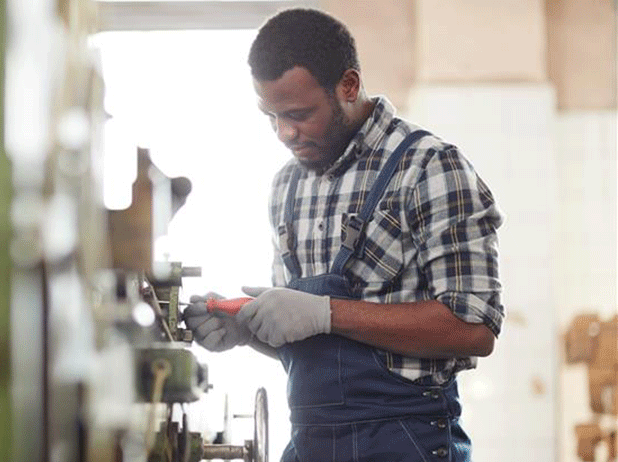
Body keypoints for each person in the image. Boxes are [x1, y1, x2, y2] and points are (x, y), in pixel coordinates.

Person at [183, 8, 504, 462]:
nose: (284, 133)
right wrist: (248, 331)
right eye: (270, 116)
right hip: (310, 442)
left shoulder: (430, 168)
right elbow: (317, 355)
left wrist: (326, 313)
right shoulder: (286, 187)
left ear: (348, 86)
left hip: (404, 444)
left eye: (298, 114)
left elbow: (473, 328)